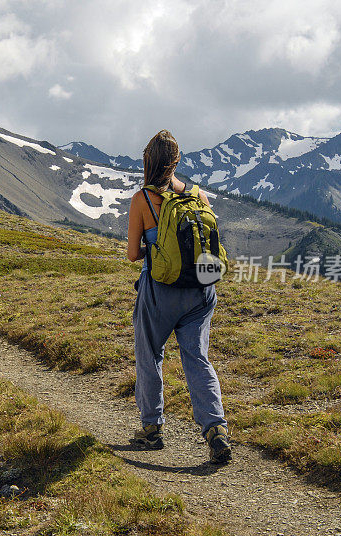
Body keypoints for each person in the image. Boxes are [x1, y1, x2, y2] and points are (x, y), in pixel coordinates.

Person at [126, 129, 231, 464]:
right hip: (202, 290)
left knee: (149, 354)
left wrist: (154, 246)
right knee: (198, 358)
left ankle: (152, 428)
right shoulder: (199, 197)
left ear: (148, 160)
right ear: (177, 161)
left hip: (161, 291)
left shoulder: (143, 200)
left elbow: (132, 254)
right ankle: (216, 429)